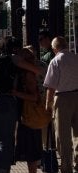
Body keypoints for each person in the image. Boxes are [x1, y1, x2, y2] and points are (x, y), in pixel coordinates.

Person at [0, 36, 41, 173]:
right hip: (5, 101)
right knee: (5, 141)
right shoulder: (14, 58)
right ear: (15, 48)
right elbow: (36, 70)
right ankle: (3, 170)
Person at [43, 36, 78, 173]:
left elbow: (50, 86)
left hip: (62, 98)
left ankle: (66, 167)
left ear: (54, 48)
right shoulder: (76, 58)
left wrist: (48, 104)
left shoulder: (55, 61)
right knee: (77, 134)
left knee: (63, 136)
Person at [13, 47, 43, 173]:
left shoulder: (28, 75)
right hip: (28, 117)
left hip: (28, 116)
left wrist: (15, 93)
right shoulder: (28, 73)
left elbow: (34, 97)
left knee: (31, 150)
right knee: (31, 149)